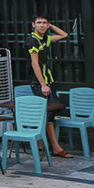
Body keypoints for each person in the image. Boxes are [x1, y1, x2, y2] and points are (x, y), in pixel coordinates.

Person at [27, 14, 73, 158]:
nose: (41, 25)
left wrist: (51, 26)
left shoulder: (44, 39)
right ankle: (55, 146)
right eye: (39, 23)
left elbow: (64, 35)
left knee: (50, 111)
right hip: (38, 82)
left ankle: (43, 144)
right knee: (48, 112)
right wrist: (43, 84)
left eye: (44, 23)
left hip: (47, 81)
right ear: (33, 25)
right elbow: (35, 63)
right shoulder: (32, 40)